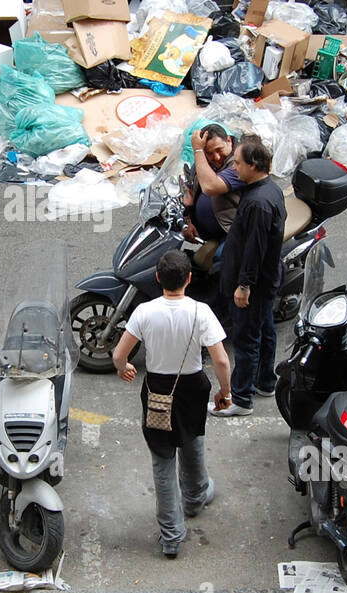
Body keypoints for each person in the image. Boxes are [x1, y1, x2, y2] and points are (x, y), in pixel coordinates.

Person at [112, 250, 231, 558]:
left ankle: (171, 537)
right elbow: (220, 359)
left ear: (157, 279)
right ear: (189, 278)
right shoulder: (201, 312)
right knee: (192, 441)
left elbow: (118, 354)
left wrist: (124, 367)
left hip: (157, 392)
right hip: (192, 389)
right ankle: (195, 498)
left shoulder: (144, 312)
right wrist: (224, 393)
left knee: (162, 462)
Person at [212, 135, 287, 418]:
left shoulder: (257, 202)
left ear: (254, 165)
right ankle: (265, 382)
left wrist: (243, 286)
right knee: (265, 331)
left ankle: (241, 399)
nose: (234, 169)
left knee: (246, 340)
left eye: (239, 163)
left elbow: (254, 249)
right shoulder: (269, 190)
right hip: (266, 282)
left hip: (253, 285)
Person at [181, 125, 243, 270]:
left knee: (220, 263)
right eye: (209, 152)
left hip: (232, 230)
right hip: (206, 231)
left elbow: (210, 187)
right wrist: (187, 221)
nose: (216, 157)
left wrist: (198, 151)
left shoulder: (239, 164)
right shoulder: (203, 160)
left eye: (219, 150)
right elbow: (187, 186)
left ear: (229, 141)